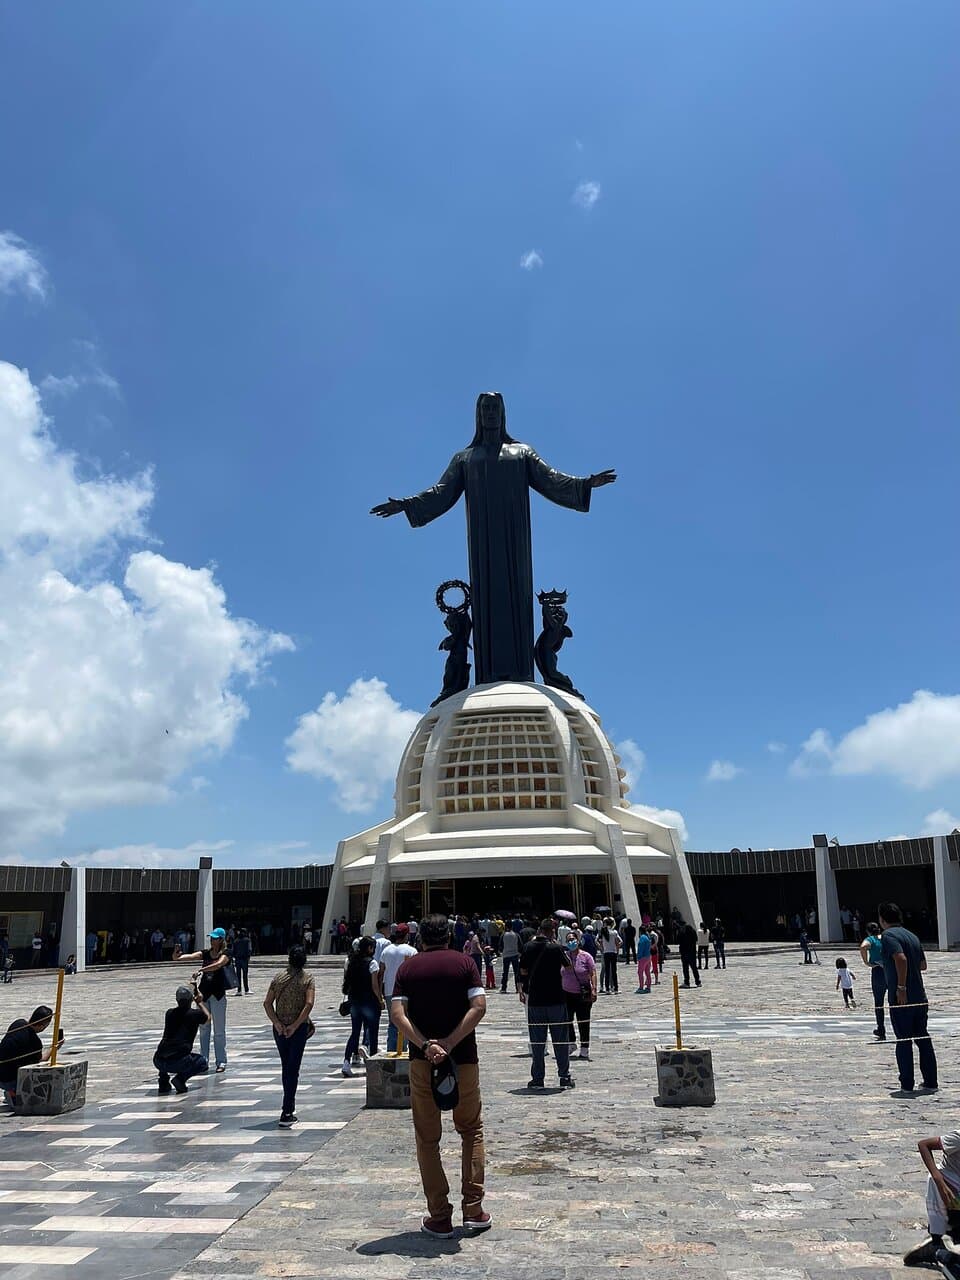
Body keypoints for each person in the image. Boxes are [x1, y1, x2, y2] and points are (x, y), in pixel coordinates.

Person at [390, 913, 489, 1239]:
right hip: (464, 1059)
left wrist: (426, 1044)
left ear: (422, 939)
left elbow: (396, 1014)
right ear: (449, 936)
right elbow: (478, 1005)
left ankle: (439, 1215)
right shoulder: (465, 964)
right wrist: (449, 1042)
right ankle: (473, 1210)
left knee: (427, 1138)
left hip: (422, 1062)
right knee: (471, 1130)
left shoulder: (408, 969)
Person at [879, 901, 938, 1095]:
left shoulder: (888, 936)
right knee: (923, 1038)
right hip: (920, 995)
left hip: (903, 998)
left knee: (903, 1040)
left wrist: (901, 987)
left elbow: (900, 958)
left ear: (882, 919)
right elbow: (922, 965)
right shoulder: (912, 935)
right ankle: (930, 1081)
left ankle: (906, 1084)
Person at [263, 944, 316, 1126]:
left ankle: (288, 1106)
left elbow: (267, 1003)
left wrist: (277, 1023)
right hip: (297, 1029)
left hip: (279, 1029)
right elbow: (309, 1004)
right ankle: (287, 1110)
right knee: (293, 1068)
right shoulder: (307, 979)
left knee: (287, 1066)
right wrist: (295, 1025)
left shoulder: (279, 978)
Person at [519, 918, 574, 1090]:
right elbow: (569, 967)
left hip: (535, 1000)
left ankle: (537, 1078)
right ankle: (564, 1076)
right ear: (552, 931)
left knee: (537, 1042)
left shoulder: (528, 947)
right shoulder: (555, 947)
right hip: (556, 999)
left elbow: (523, 970)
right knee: (560, 1041)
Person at [175, 927, 231, 1073]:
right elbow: (192, 956)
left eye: (214, 938)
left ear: (221, 939)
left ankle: (221, 1061)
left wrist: (202, 970)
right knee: (204, 1028)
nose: (212, 940)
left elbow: (219, 964)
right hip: (204, 995)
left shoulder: (225, 953)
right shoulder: (206, 953)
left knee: (219, 1031)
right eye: (211, 938)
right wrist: (178, 957)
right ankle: (203, 1060)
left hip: (218, 995)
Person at [903, 1128, 960, 1268]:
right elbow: (924, 1144)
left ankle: (941, 1242)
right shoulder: (957, 1137)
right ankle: (938, 1246)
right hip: (951, 1185)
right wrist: (938, 1178)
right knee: (935, 1182)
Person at [154, 983, 210, 1094]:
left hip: (158, 1060)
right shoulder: (194, 1014)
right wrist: (199, 1002)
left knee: (167, 1047)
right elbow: (207, 1018)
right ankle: (180, 1079)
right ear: (191, 1000)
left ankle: (163, 1082)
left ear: (177, 1000)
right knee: (202, 1062)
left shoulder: (169, 1013)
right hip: (179, 1061)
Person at [0, 1007, 62, 1106]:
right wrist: (54, 1047)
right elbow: (41, 1060)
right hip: (9, 1080)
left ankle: (10, 1092)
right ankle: (13, 1093)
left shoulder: (18, 1023)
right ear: (43, 1025)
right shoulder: (34, 1041)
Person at [341, 935, 383, 1076]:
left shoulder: (352, 962)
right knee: (372, 1032)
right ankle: (372, 1066)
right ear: (370, 948)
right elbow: (375, 985)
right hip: (369, 1001)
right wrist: (380, 999)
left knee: (355, 1032)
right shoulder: (372, 963)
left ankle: (346, 1062)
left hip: (354, 1001)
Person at [380, 924, 417, 1052]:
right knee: (406, 1020)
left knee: (393, 1021)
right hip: (406, 991)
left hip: (390, 990)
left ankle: (392, 1048)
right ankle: (403, 1048)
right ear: (407, 935)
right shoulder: (411, 951)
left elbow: (381, 972)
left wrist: (380, 992)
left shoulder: (387, 950)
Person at [561, 931, 596, 1060]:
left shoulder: (586, 956)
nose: (571, 942)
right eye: (569, 940)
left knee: (583, 1021)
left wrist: (594, 989)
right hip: (567, 993)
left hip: (583, 994)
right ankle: (571, 1042)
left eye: (573, 939)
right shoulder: (564, 956)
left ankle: (585, 1047)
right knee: (566, 1019)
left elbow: (593, 972)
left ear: (578, 940)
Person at [859, 922, 886, 1041]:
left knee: (879, 1002)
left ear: (868, 931)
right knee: (895, 1001)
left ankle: (881, 1029)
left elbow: (863, 946)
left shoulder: (871, 939)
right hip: (890, 970)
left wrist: (866, 962)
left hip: (878, 971)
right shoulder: (885, 938)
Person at [599, 919, 621, 994]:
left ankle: (607, 989)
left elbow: (600, 941)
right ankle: (615, 988)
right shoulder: (614, 932)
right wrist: (617, 948)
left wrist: (603, 948)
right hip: (613, 952)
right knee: (614, 971)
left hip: (606, 952)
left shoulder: (603, 932)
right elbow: (619, 941)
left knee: (607, 971)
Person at [678, 920, 701, 987]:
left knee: (685, 968)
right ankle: (698, 982)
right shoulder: (693, 932)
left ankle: (687, 982)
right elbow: (696, 939)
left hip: (684, 953)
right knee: (694, 968)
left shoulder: (682, 933)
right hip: (692, 953)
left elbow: (678, 940)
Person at [500, 923, 521, 992]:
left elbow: (500, 945)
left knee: (505, 972)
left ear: (506, 927)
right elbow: (520, 944)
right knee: (516, 972)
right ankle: (518, 988)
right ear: (512, 927)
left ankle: (503, 988)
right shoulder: (516, 934)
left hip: (506, 955)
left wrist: (502, 950)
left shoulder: (503, 935)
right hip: (515, 954)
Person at [232, 928, 252, 996]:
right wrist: (248, 957)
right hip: (244, 959)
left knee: (238, 975)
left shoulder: (236, 941)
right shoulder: (247, 940)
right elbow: (249, 949)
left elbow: (233, 950)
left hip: (238, 959)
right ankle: (246, 990)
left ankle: (239, 990)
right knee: (245, 975)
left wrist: (235, 956)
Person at [635, 927, 653, 994]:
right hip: (648, 956)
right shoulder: (647, 937)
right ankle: (648, 987)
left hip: (643, 957)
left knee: (640, 972)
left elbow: (641, 948)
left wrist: (639, 956)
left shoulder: (642, 937)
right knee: (647, 972)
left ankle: (641, 987)